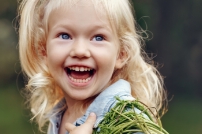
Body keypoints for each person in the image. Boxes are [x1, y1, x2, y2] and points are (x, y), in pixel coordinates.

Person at [17, 0, 168, 133]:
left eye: (98, 37)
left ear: (121, 54)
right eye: (65, 35)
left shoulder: (127, 119)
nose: (80, 51)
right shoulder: (60, 114)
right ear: (44, 50)